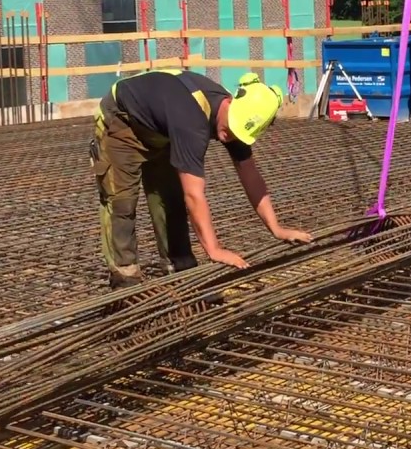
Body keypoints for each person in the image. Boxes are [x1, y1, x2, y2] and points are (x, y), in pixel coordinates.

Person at [89, 69, 313, 289]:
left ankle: (180, 267)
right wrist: (214, 250)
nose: (229, 135)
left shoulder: (237, 120)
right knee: (121, 201)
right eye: (229, 130)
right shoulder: (192, 120)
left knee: (170, 201)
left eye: (236, 134)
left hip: (164, 127)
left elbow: (251, 175)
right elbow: (194, 195)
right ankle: (125, 277)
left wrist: (276, 228)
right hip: (123, 119)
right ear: (229, 103)